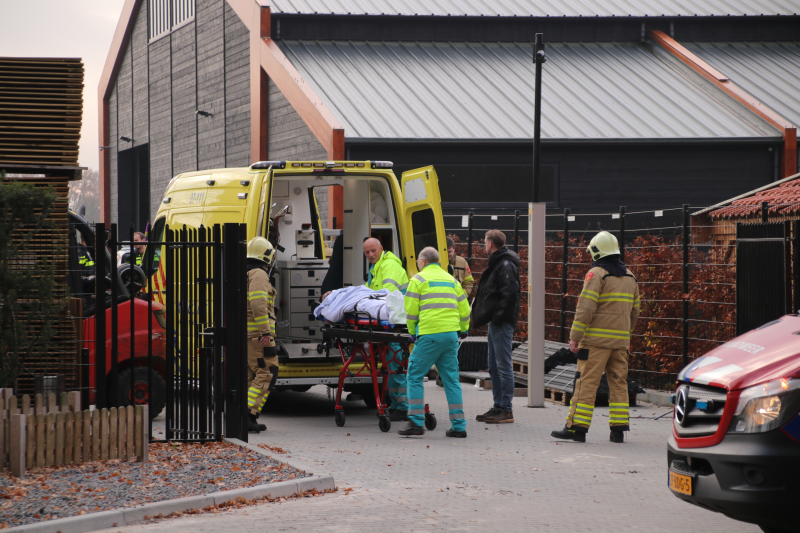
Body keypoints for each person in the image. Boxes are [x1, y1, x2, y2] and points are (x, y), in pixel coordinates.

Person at [551, 231, 640, 444]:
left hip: (595, 343)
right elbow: (635, 311)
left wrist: (575, 337)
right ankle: (618, 431)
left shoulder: (597, 275)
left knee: (586, 384)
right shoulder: (630, 276)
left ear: (596, 252)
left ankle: (576, 429)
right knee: (619, 384)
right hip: (620, 343)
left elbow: (585, 309)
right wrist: (625, 334)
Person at [399, 247, 470, 438]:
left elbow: (411, 311)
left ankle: (415, 422)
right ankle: (459, 426)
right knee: (451, 380)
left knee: (414, 376)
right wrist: (463, 329)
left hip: (430, 335)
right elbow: (464, 310)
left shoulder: (418, 280)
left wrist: (413, 333)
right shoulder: (452, 280)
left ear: (422, 261)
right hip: (451, 337)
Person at [471, 230, 521, 424]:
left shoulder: (505, 264)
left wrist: (498, 317)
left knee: (502, 365)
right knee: (493, 366)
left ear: (491, 244)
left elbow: (510, 295)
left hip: (501, 321)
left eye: (485, 242)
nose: (484, 245)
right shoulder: (500, 262)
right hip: (496, 321)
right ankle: (498, 406)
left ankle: (506, 409)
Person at [360, 237, 409, 421]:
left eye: (373, 251)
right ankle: (397, 404)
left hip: (395, 323)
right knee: (391, 364)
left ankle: (402, 407)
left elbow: (386, 296)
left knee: (394, 364)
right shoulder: (376, 267)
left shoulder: (389, 266)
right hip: (388, 323)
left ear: (381, 248)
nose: (371, 255)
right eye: (367, 253)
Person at [245, 237, 278, 433]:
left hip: (251, 335)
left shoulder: (247, 272)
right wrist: (266, 333)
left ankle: (245, 414)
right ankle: (249, 414)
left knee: (252, 375)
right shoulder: (258, 274)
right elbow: (258, 304)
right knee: (268, 372)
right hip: (259, 335)